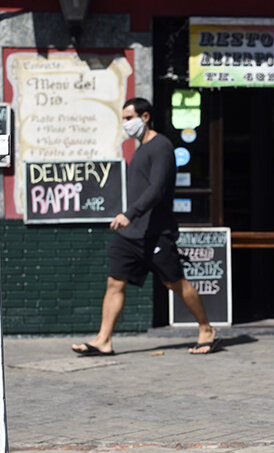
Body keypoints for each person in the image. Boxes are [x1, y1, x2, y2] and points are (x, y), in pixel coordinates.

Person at [72, 98, 217, 356]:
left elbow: (157, 189)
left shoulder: (161, 146)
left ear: (145, 117)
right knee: (115, 283)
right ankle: (104, 340)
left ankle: (206, 329)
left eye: (129, 118)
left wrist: (130, 213)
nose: (126, 124)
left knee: (175, 283)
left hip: (156, 232)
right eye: (124, 119)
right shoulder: (140, 150)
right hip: (131, 234)